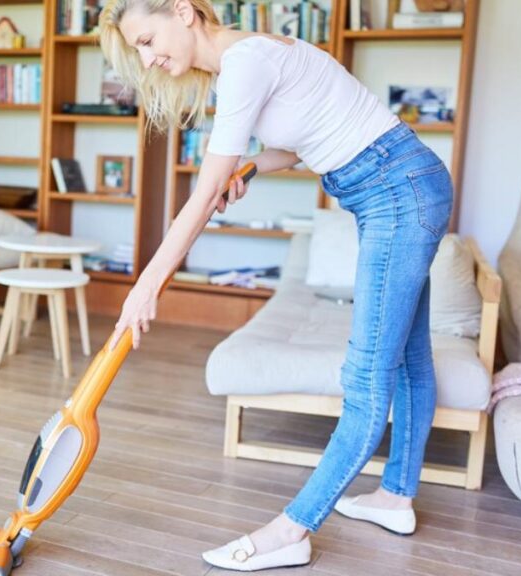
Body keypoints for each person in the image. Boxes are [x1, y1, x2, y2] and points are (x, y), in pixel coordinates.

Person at [100, 0, 453, 571]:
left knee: (366, 377)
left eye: (146, 39)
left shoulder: (245, 63)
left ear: (184, 13)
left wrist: (148, 283)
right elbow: (306, 140)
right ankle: (395, 497)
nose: (148, 57)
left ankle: (293, 530)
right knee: (409, 358)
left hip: (397, 192)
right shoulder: (257, 56)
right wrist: (253, 168)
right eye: (138, 49)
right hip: (401, 185)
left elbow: (202, 190)